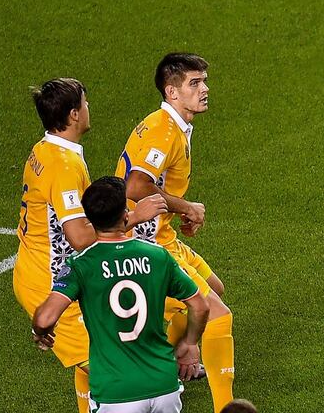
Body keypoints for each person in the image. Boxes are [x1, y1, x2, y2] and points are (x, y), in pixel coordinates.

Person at [14, 78, 166, 412]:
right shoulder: (64, 166)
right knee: (118, 374)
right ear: (72, 115)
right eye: (84, 102)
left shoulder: (47, 149)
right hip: (51, 283)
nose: (88, 108)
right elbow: (80, 237)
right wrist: (133, 217)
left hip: (44, 271)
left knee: (98, 361)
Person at [116, 53, 236, 412]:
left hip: (164, 235)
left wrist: (177, 214)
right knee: (218, 314)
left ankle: (169, 355)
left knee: (215, 287)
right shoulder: (164, 131)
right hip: (147, 243)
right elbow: (136, 185)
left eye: (204, 81)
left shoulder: (171, 125)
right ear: (172, 92)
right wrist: (186, 207)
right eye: (194, 83)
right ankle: (223, 403)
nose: (205, 89)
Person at [32, 176, 209, 413]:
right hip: (164, 385)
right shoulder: (158, 256)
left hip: (116, 394)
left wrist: (41, 332)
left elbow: (45, 318)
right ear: (126, 215)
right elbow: (200, 305)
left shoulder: (81, 265)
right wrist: (189, 343)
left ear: (89, 219)